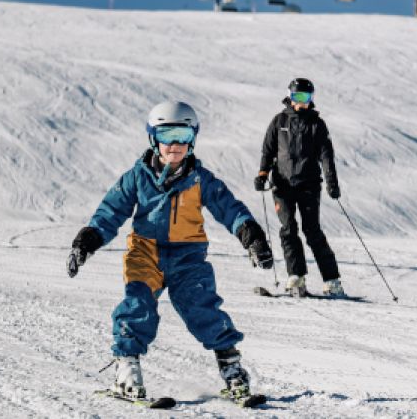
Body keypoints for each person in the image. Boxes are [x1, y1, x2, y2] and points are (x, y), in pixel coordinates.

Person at [67, 101, 273, 401]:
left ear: (193, 139)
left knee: (202, 307)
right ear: (153, 138)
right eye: (167, 135)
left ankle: (232, 370)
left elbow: (230, 209)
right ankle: (127, 370)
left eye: (183, 135)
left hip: (188, 256)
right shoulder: (137, 177)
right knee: (137, 305)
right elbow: (110, 212)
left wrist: (251, 236)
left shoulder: (201, 179)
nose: (174, 145)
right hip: (145, 252)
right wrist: (87, 241)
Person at [254, 78, 344, 298]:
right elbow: (268, 150)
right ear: (290, 97)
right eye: (297, 97)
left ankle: (332, 280)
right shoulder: (279, 121)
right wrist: (262, 174)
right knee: (288, 229)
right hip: (282, 184)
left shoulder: (316, 124)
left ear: (311, 99)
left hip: (309, 185)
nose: (301, 102)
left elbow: (326, 156)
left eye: (306, 98)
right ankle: (296, 275)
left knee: (312, 231)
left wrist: (332, 182)